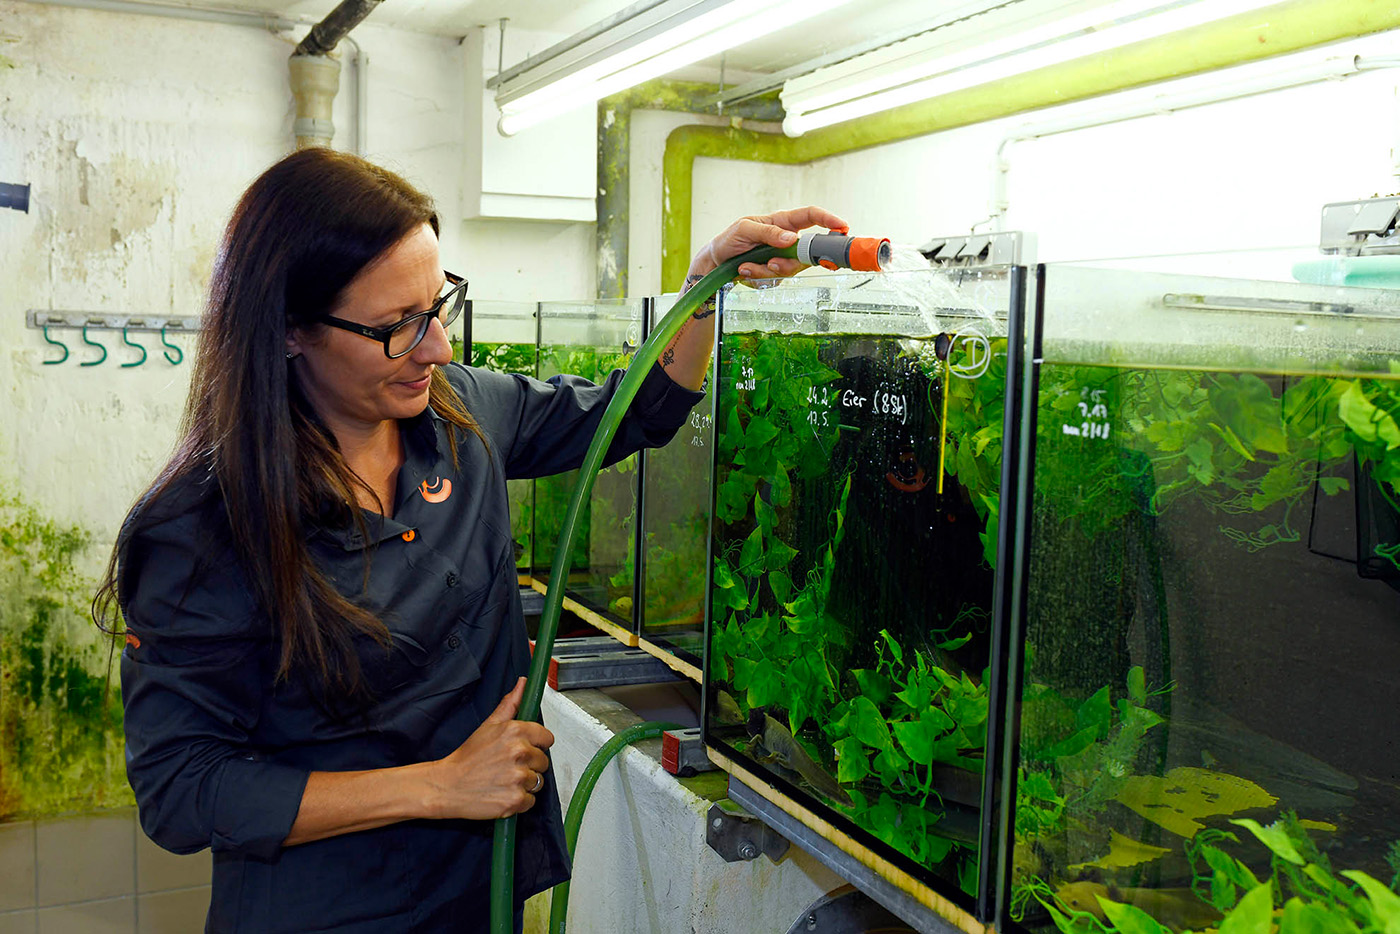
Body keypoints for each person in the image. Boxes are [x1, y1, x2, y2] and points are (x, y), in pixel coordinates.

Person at [94, 146, 847, 933]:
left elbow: (636, 413)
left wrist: (705, 286)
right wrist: (441, 784)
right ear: (288, 331)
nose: (438, 348)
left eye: (438, 305)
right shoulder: (204, 529)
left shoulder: (460, 419)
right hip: (326, 905)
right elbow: (182, 789)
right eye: (396, 328)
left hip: (478, 882)